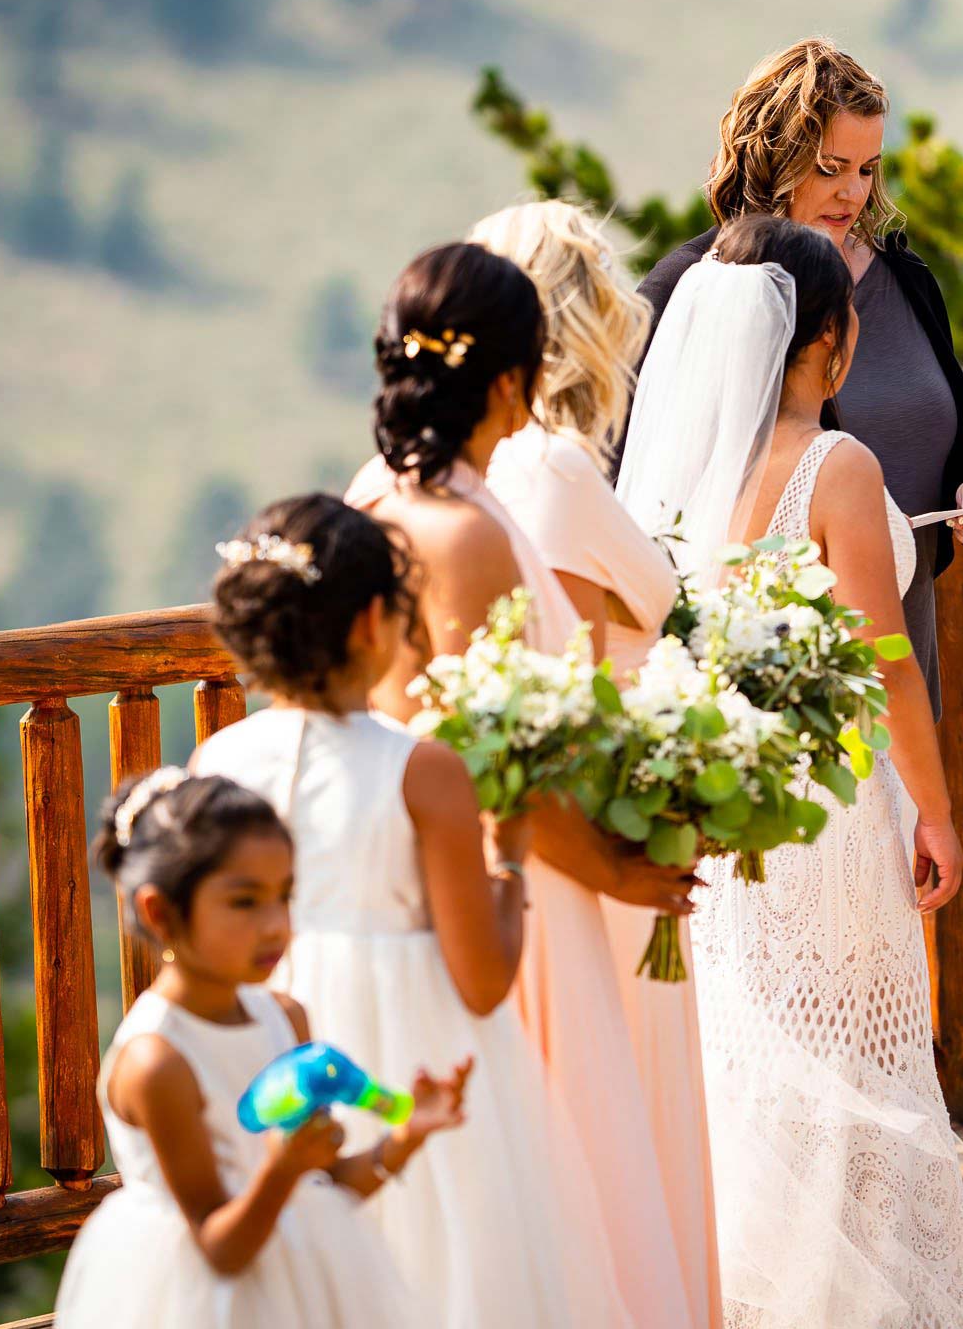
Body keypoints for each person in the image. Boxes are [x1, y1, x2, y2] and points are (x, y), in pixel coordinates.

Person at [618, 213, 963, 1327]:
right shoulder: (835, 463)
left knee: (756, 1060)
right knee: (856, 1059)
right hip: (829, 808)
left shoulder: (678, 475)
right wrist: (936, 809)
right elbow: (887, 663)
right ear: (827, 337)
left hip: (729, 806)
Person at [341, 242, 699, 1322]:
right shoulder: (462, 533)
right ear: (508, 379)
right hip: (508, 886)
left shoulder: (378, 499)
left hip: (419, 873)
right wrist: (621, 873)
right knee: (548, 1174)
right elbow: (494, 767)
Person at [191, 494, 637, 1325]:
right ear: (371, 623)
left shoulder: (218, 757)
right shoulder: (422, 770)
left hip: (268, 1064)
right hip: (408, 1068)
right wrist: (508, 855)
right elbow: (480, 982)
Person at [472, 197, 722, 1324]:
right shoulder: (562, 475)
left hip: (545, 813)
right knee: (630, 1098)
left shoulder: (488, 474)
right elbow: (663, 612)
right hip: (611, 820)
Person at [629, 37, 963, 716]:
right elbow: (639, 476)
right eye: (829, 166)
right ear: (773, 155)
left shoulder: (905, 278)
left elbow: (952, 431)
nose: (853, 192)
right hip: (769, 669)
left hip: (905, 641)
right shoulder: (697, 286)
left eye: (868, 168)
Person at [53, 770, 460, 1329]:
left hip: (308, 1289)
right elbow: (222, 1250)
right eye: (245, 902)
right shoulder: (159, 1063)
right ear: (161, 913)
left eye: (284, 896)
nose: (277, 926)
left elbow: (326, 1188)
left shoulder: (285, 1018)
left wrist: (406, 1136)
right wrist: (283, 1168)